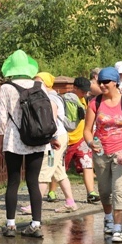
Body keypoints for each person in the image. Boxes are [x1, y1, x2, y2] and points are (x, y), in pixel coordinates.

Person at [0, 50, 60, 238]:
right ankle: (36, 224)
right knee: (33, 182)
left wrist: (0, 142)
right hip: (36, 138)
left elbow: (2, 118)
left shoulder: (6, 88)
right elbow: (46, 114)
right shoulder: (38, 85)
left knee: (13, 182)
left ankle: (10, 225)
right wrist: (52, 137)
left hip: (13, 139)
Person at [83, 67, 122, 243]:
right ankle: (108, 218)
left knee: (119, 190)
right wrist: (91, 143)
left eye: (106, 81)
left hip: (121, 153)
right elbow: (87, 131)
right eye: (100, 82)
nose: (102, 85)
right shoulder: (95, 103)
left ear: (115, 82)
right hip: (101, 153)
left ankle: (117, 228)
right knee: (105, 191)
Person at [21, 72, 79, 215]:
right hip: (61, 136)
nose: (35, 85)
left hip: (55, 138)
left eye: (38, 81)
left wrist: (51, 137)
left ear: (45, 83)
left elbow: (50, 120)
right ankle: (70, 202)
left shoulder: (50, 98)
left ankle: (35, 205)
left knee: (44, 172)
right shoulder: (54, 96)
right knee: (59, 171)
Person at [48, 77, 100, 204]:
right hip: (66, 140)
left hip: (81, 139)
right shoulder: (66, 100)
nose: (85, 93)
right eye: (82, 91)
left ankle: (91, 193)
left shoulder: (85, 99)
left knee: (87, 165)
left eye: (86, 91)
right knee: (58, 167)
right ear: (74, 88)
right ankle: (52, 191)